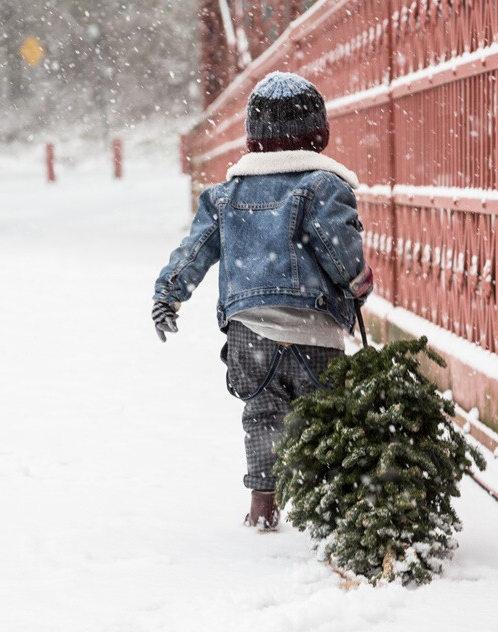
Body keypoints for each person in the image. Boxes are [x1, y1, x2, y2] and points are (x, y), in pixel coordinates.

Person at [151, 71, 372, 530]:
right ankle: (324, 508)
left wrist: (168, 293)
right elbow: (339, 252)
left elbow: (194, 250)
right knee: (324, 418)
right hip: (314, 330)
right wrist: (357, 282)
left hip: (250, 333)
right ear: (318, 135)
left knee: (263, 415)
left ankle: (263, 505)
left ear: (252, 140)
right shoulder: (323, 188)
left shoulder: (225, 197)